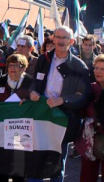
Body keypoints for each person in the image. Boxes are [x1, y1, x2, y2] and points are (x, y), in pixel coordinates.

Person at [28, 25, 91, 182]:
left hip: (63, 118)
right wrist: (32, 92)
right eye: (58, 37)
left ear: (71, 41)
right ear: (53, 39)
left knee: (56, 163)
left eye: (64, 38)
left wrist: (63, 100)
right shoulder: (43, 58)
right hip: (40, 115)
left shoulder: (78, 66)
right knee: (35, 160)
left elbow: (84, 96)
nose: (60, 40)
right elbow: (35, 81)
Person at [0, 54, 32, 182]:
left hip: (21, 127)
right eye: (10, 65)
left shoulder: (30, 82)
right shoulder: (1, 80)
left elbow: (35, 100)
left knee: (19, 161)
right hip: (2, 126)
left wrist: (28, 100)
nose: (13, 68)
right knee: (2, 160)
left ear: (23, 68)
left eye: (17, 65)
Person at [76, 54, 104, 182]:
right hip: (89, 139)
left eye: (102, 69)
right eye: (96, 68)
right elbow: (81, 111)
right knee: (87, 176)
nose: (98, 71)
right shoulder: (90, 88)